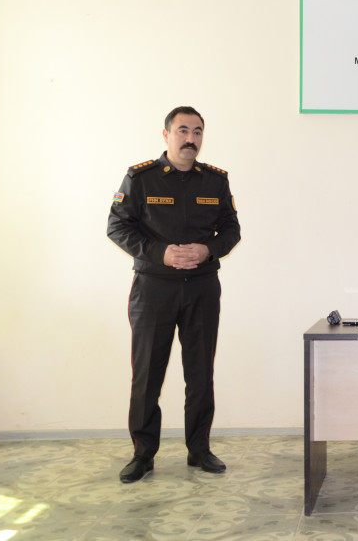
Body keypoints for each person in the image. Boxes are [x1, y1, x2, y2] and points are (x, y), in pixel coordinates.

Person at [107, 106, 241, 484]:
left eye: (197, 132)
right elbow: (117, 227)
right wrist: (159, 253)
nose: (190, 139)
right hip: (154, 289)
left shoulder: (215, 181)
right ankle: (142, 454)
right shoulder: (141, 178)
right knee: (147, 375)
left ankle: (199, 449)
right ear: (166, 135)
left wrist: (208, 249)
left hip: (201, 288)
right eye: (183, 130)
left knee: (200, 373)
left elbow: (232, 230)